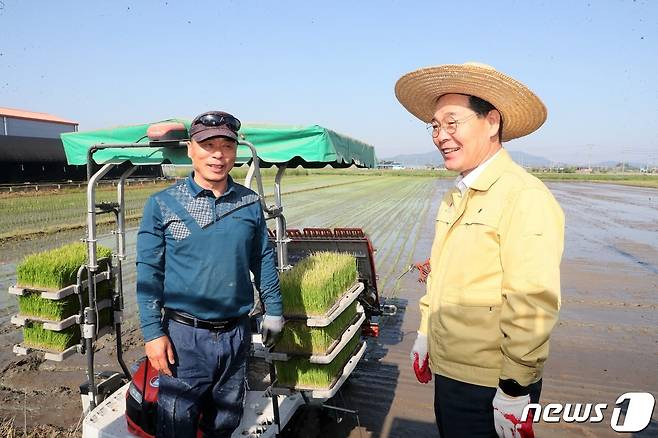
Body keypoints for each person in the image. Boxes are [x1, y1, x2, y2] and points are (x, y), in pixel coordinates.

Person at [395, 63, 565, 438]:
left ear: (492, 121)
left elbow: (532, 302)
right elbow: (440, 276)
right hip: (451, 371)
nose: (441, 136)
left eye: (452, 122)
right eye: (436, 126)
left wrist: (515, 388)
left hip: (490, 385)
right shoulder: (457, 196)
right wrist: (426, 334)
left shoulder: (524, 197)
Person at [136, 110, 284, 437]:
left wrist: (273, 310)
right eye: (207, 144)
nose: (217, 154)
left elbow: (262, 259)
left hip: (236, 334)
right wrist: (151, 332)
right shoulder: (162, 204)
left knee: (226, 421)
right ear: (190, 149)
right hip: (183, 339)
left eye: (226, 146)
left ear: (235, 152)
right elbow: (148, 273)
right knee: (176, 423)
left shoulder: (248, 203)